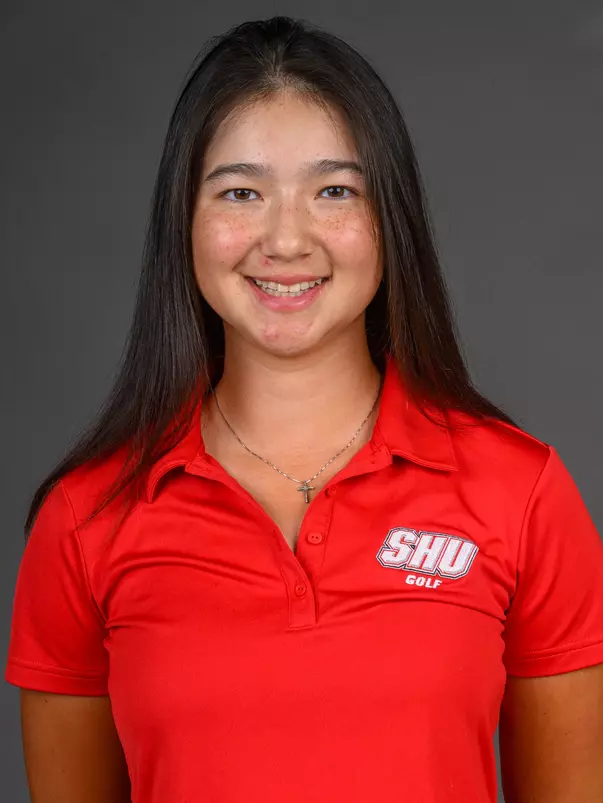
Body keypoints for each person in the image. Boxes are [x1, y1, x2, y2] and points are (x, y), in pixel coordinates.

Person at [5, 14, 603, 803]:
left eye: (333, 191)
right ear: (183, 221)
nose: (285, 239)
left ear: (389, 220)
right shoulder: (87, 517)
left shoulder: (519, 490)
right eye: (242, 192)